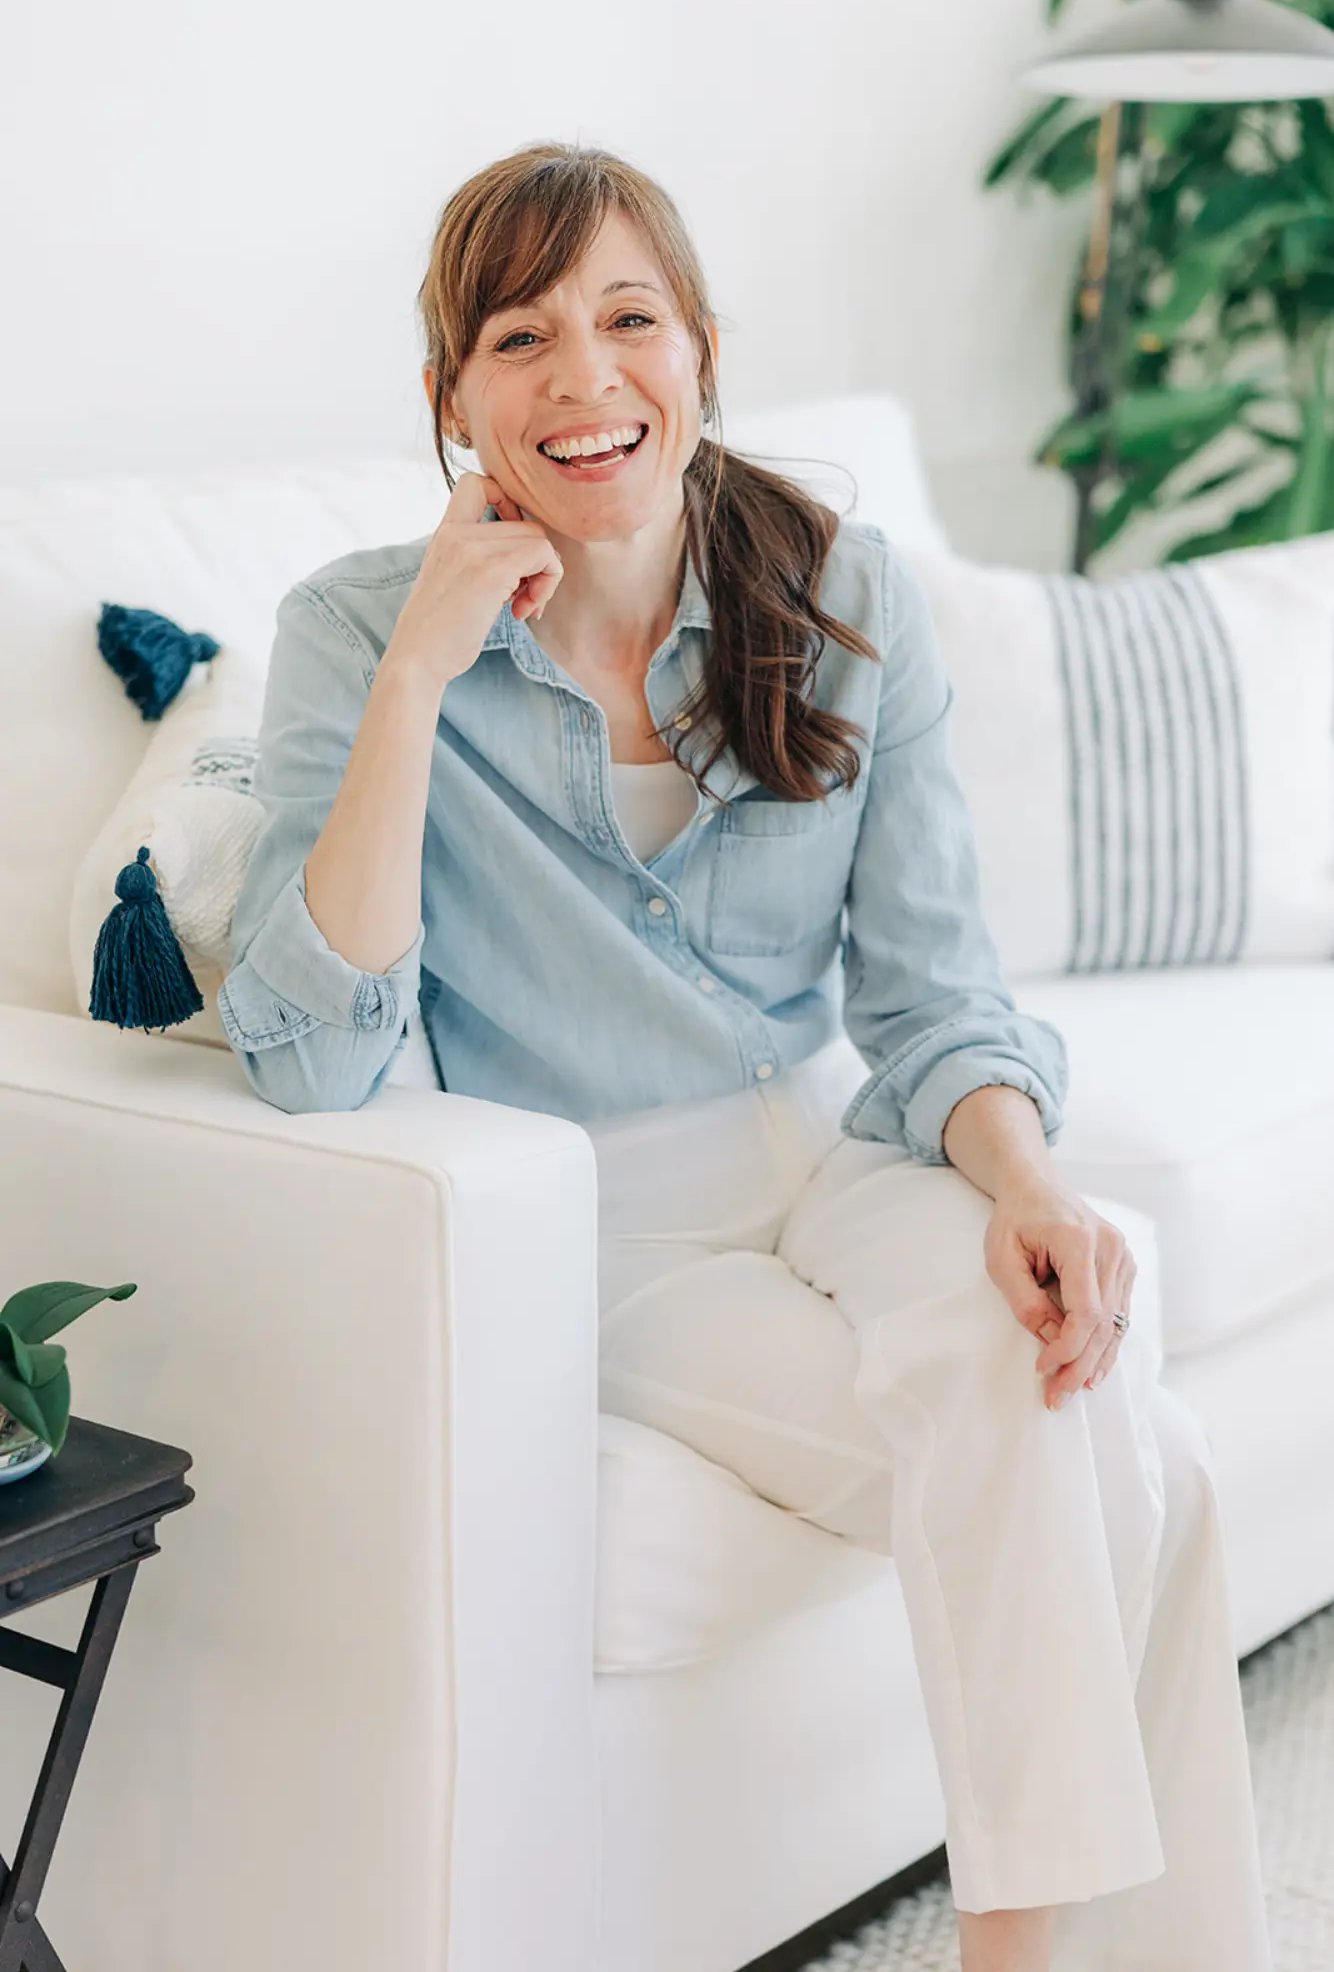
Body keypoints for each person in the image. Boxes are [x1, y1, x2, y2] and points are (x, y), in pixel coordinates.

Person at [220, 142, 1271, 1972]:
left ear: (701, 348)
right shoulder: (351, 630)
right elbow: (312, 1060)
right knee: (1117, 1446)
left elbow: (934, 988)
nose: (582, 380)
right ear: (449, 399)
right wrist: (415, 676)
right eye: (519, 337)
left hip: (839, 1152)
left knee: (1021, 1358)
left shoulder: (843, 589)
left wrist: (1024, 1179)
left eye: (629, 318)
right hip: (603, 1220)